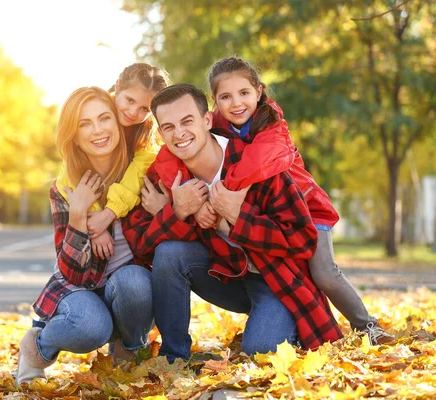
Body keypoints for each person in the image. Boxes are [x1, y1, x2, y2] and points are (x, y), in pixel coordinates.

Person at [123, 84, 342, 363]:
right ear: (160, 133)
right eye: (168, 127)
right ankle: (173, 357)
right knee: (170, 254)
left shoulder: (255, 162)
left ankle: (283, 325)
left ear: (206, 120)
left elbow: (302, 239)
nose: (179, 134)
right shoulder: (166, 177)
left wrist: (240, 217)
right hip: (223, 274)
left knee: (261, 352)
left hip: (274, 280)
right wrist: (175, 212)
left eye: (187, 121)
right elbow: (139, 244)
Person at [205, 56, 394, 345]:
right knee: (296, 279)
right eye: (225, 97)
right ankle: (303, 329)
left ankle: (368, 326)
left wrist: (222, 194)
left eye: (244, 93)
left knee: (324, 273)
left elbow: (255, 164)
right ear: (215, 101)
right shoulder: (217, 128)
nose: (236, 103)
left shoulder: (273, 127)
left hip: (308, 211)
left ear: (259, 91)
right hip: (274, 218)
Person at [16, 87, 154, 385]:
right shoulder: (64, 187)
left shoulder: (141, 172)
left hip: (126, 288)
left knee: (136, 281)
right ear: (74, 135)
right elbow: (72, 275)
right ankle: (36, 347)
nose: (97, 130)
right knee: (91, 326)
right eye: (85, 123)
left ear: (119, 124)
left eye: (104, 118)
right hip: (80, 287)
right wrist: (78, 217)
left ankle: (128, 353)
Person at [56, 63, 170, 260]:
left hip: (119, 211)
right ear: (117, 87)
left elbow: (136, 177)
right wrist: (95, 220)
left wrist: (108, 214)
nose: (134, 112)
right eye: (129, 100)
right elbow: (72, 170)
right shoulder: (94, 110)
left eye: (145, 108)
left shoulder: (146, 133)